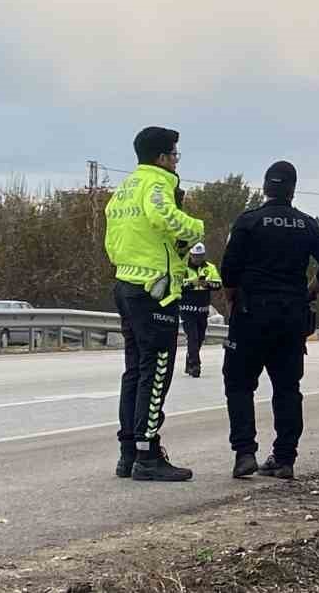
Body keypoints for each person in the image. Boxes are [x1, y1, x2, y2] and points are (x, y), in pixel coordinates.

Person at [221, 161, 319, 481]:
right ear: (292, 190)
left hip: (250, 314)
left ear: (265, 188)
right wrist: (310, 292)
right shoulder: (307, 224)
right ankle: (285, 458)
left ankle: (244, 453)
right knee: (287, 388)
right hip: (291, 317)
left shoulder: (248, 221)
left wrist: (231, 299)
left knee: (239, 384)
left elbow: (229, 268)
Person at [105, 126, 205, 482]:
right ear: (162, 157)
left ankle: (129, 452)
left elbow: (113, 239)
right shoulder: (157, 183)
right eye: (175, 155)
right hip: (154, 288)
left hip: (126, 283)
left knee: (134, 370)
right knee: (157, 368)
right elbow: (163, 216)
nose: (176, 161)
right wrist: (196, 228)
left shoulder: (125, 188)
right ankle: (148, 454)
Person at [180, 243, 222, 377]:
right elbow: (177, 284)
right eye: (195, 256)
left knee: (199, 338)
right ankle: (195, 365)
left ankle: (190, 358)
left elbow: (218, 284)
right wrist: (193, 283)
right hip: (187, 309)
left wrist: (207, 284)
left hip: (203, 309)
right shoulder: (182, 267)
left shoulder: (210, 267)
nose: (198, 259)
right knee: (192, 337)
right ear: (191, 255)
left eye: (200, 256)